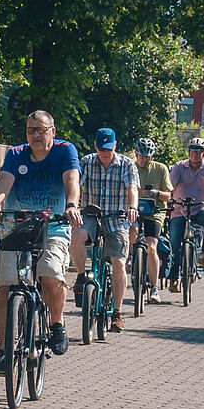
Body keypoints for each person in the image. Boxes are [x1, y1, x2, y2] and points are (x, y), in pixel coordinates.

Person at [0, 110, 81, 372]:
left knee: (49, 273)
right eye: (30, 130)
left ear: (52, 131)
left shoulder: (65, 151)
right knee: (4, 288)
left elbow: (72, 179)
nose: (36, 135)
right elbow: (4, 182)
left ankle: (57, 325)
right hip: (16, 226)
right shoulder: (16, 154)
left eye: (41, 130)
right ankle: (4, 350)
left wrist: (71, 205)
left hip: (54, 225)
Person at [72, 128, 139, 332]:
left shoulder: (127, 164)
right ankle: (82, 276)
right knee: (76, 235)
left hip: (116, 217)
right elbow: (75, 184)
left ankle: (117, 313)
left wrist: (133, 207)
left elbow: (132, 188)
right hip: (91, 214)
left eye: (108, 149)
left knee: (118, 262)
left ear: (115, 146)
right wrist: (73, 206)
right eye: (101, 149)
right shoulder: (87, 161)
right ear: (95, 146)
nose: (104, 153)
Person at [166, 137, 204, 286]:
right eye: (192, 150)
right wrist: (168, 196)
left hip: (200, 208)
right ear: (189, 152)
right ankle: (173, 279)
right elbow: (172, 184)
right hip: (179, 209)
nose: (195, 154)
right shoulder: (179, 166)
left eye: (199, 151)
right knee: (175, 243)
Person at [134, 137, 172, 304]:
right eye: (142, 156)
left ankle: (154, 286)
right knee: (132, 232)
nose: (144, 159)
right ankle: (128, 259)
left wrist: (156, 193)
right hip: (134, 210)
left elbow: (168, 195)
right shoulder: (130, 167)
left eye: (148, 156)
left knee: (151, 246)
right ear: (136, 154)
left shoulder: (161, 169)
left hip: (155, 212)